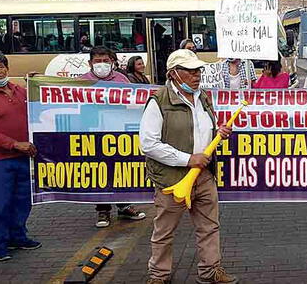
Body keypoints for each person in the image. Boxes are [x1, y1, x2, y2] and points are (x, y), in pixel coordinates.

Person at [140, 49, 238, 284]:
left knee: (209, 227)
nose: (197, 75)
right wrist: (187, 159)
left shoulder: (203, 97)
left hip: (203, 177)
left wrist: (219, 133)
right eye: (190, 71)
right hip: (173, 179)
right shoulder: (159, 101)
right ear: (174, 74)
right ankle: (159, 275)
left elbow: (204, 131)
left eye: (198, 70)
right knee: (164, 232)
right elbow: (148, 144)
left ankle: (210, 271)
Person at [79, 46, 146, 227]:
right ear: (90, 63)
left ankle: (124, 206)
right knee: (99, 171)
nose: (102, 65)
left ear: (113, 63)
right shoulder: (82, 82)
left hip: (118, 133)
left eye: (106, 61)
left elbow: (134, 102)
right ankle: (103, 210)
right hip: (93, 134)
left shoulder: (121, 79)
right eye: (97, 61)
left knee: (119, 170)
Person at [0, 51, 42, 261]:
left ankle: (19, 236)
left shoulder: (19, 91)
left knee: (22, 201)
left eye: (1, 66)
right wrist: (14, 144)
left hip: (23, 157)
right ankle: (0, 244)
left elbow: (40, 103)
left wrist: (38, 83)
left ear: (7, 69)